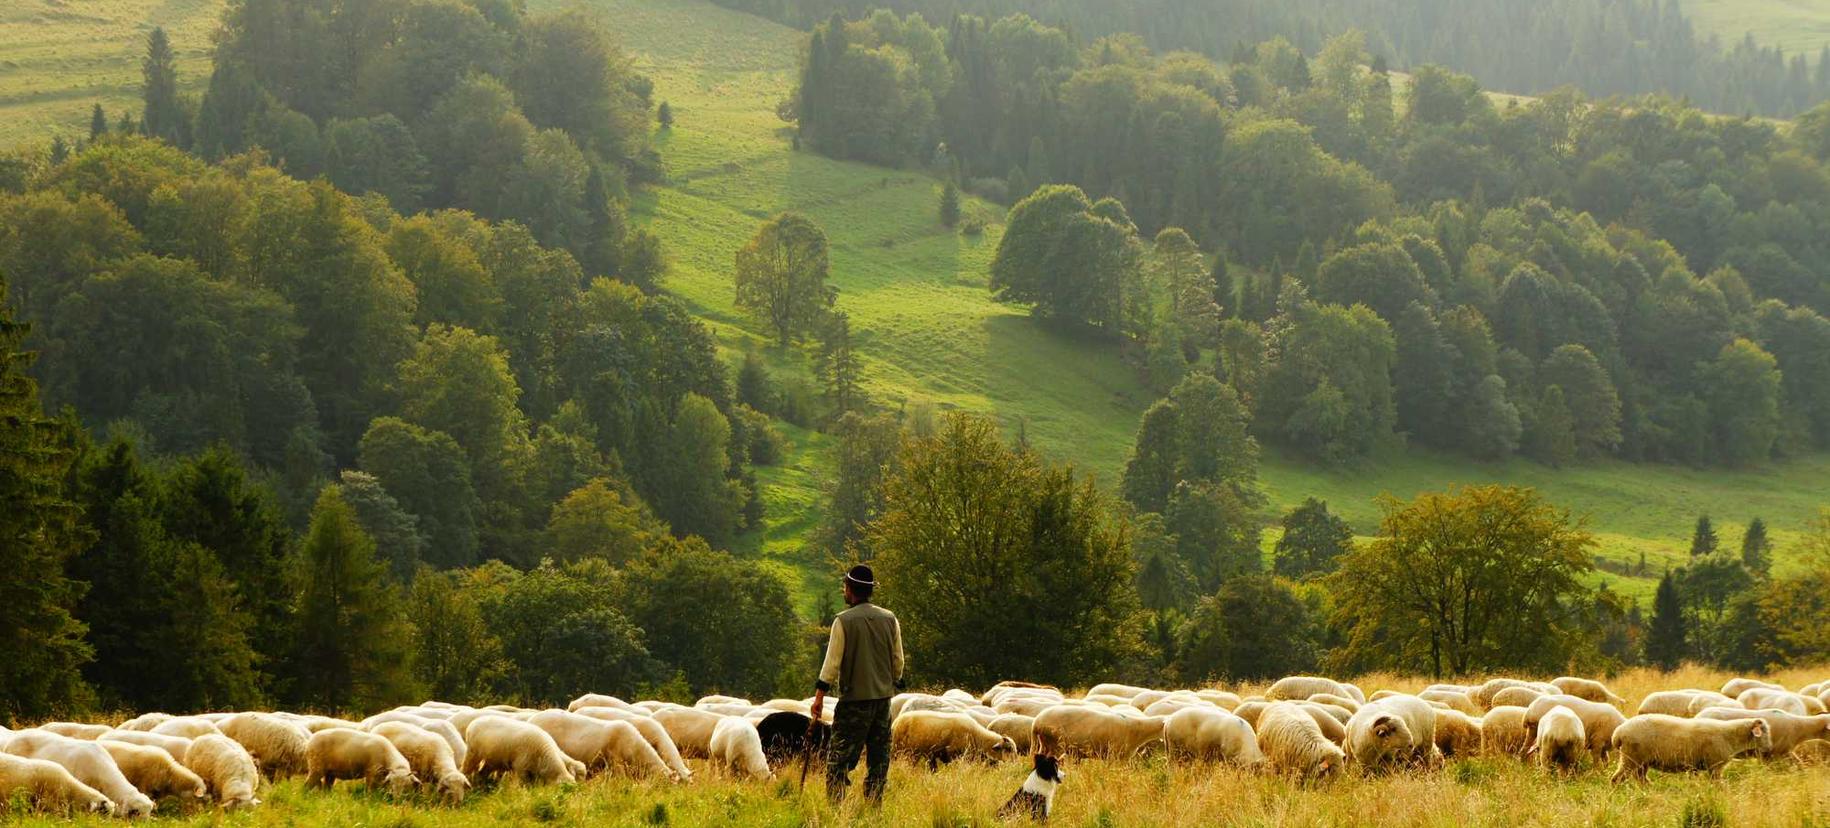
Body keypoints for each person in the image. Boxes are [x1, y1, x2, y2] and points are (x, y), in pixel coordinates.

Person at [810, 564, 904, 804]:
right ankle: (873, 806)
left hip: (854, 703)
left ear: (850, 589)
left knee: (838, 760)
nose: (844, 591)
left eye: (845, 586)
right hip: (883, 701)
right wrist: (891, 681)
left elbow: (831, 663)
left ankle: (837, 809)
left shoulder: (843, 621)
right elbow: (898, 661)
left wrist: (819, 696)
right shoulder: (889, 619)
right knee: (879, 759)